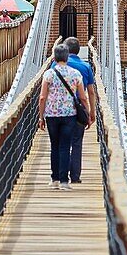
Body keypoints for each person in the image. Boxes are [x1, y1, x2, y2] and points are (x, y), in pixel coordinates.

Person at [38, 44, 90, 190]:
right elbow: (83, 98)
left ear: (54, 57)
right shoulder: (75, 74)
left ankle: (54, 179)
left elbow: (42, 97)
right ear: (67, 57)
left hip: (52, 115)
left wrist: (41, 117)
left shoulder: (48, 74)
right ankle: (64, 181)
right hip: (69, 115)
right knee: (65, 146)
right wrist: (87, 114)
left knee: (54, 146)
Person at [62, 37, 96, 184]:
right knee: (76, 143)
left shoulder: (55, 66)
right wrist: (91, 112)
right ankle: (75, 176)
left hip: (61, 110)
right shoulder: (86, 66)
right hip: (79, 110)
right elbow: (91, 92)